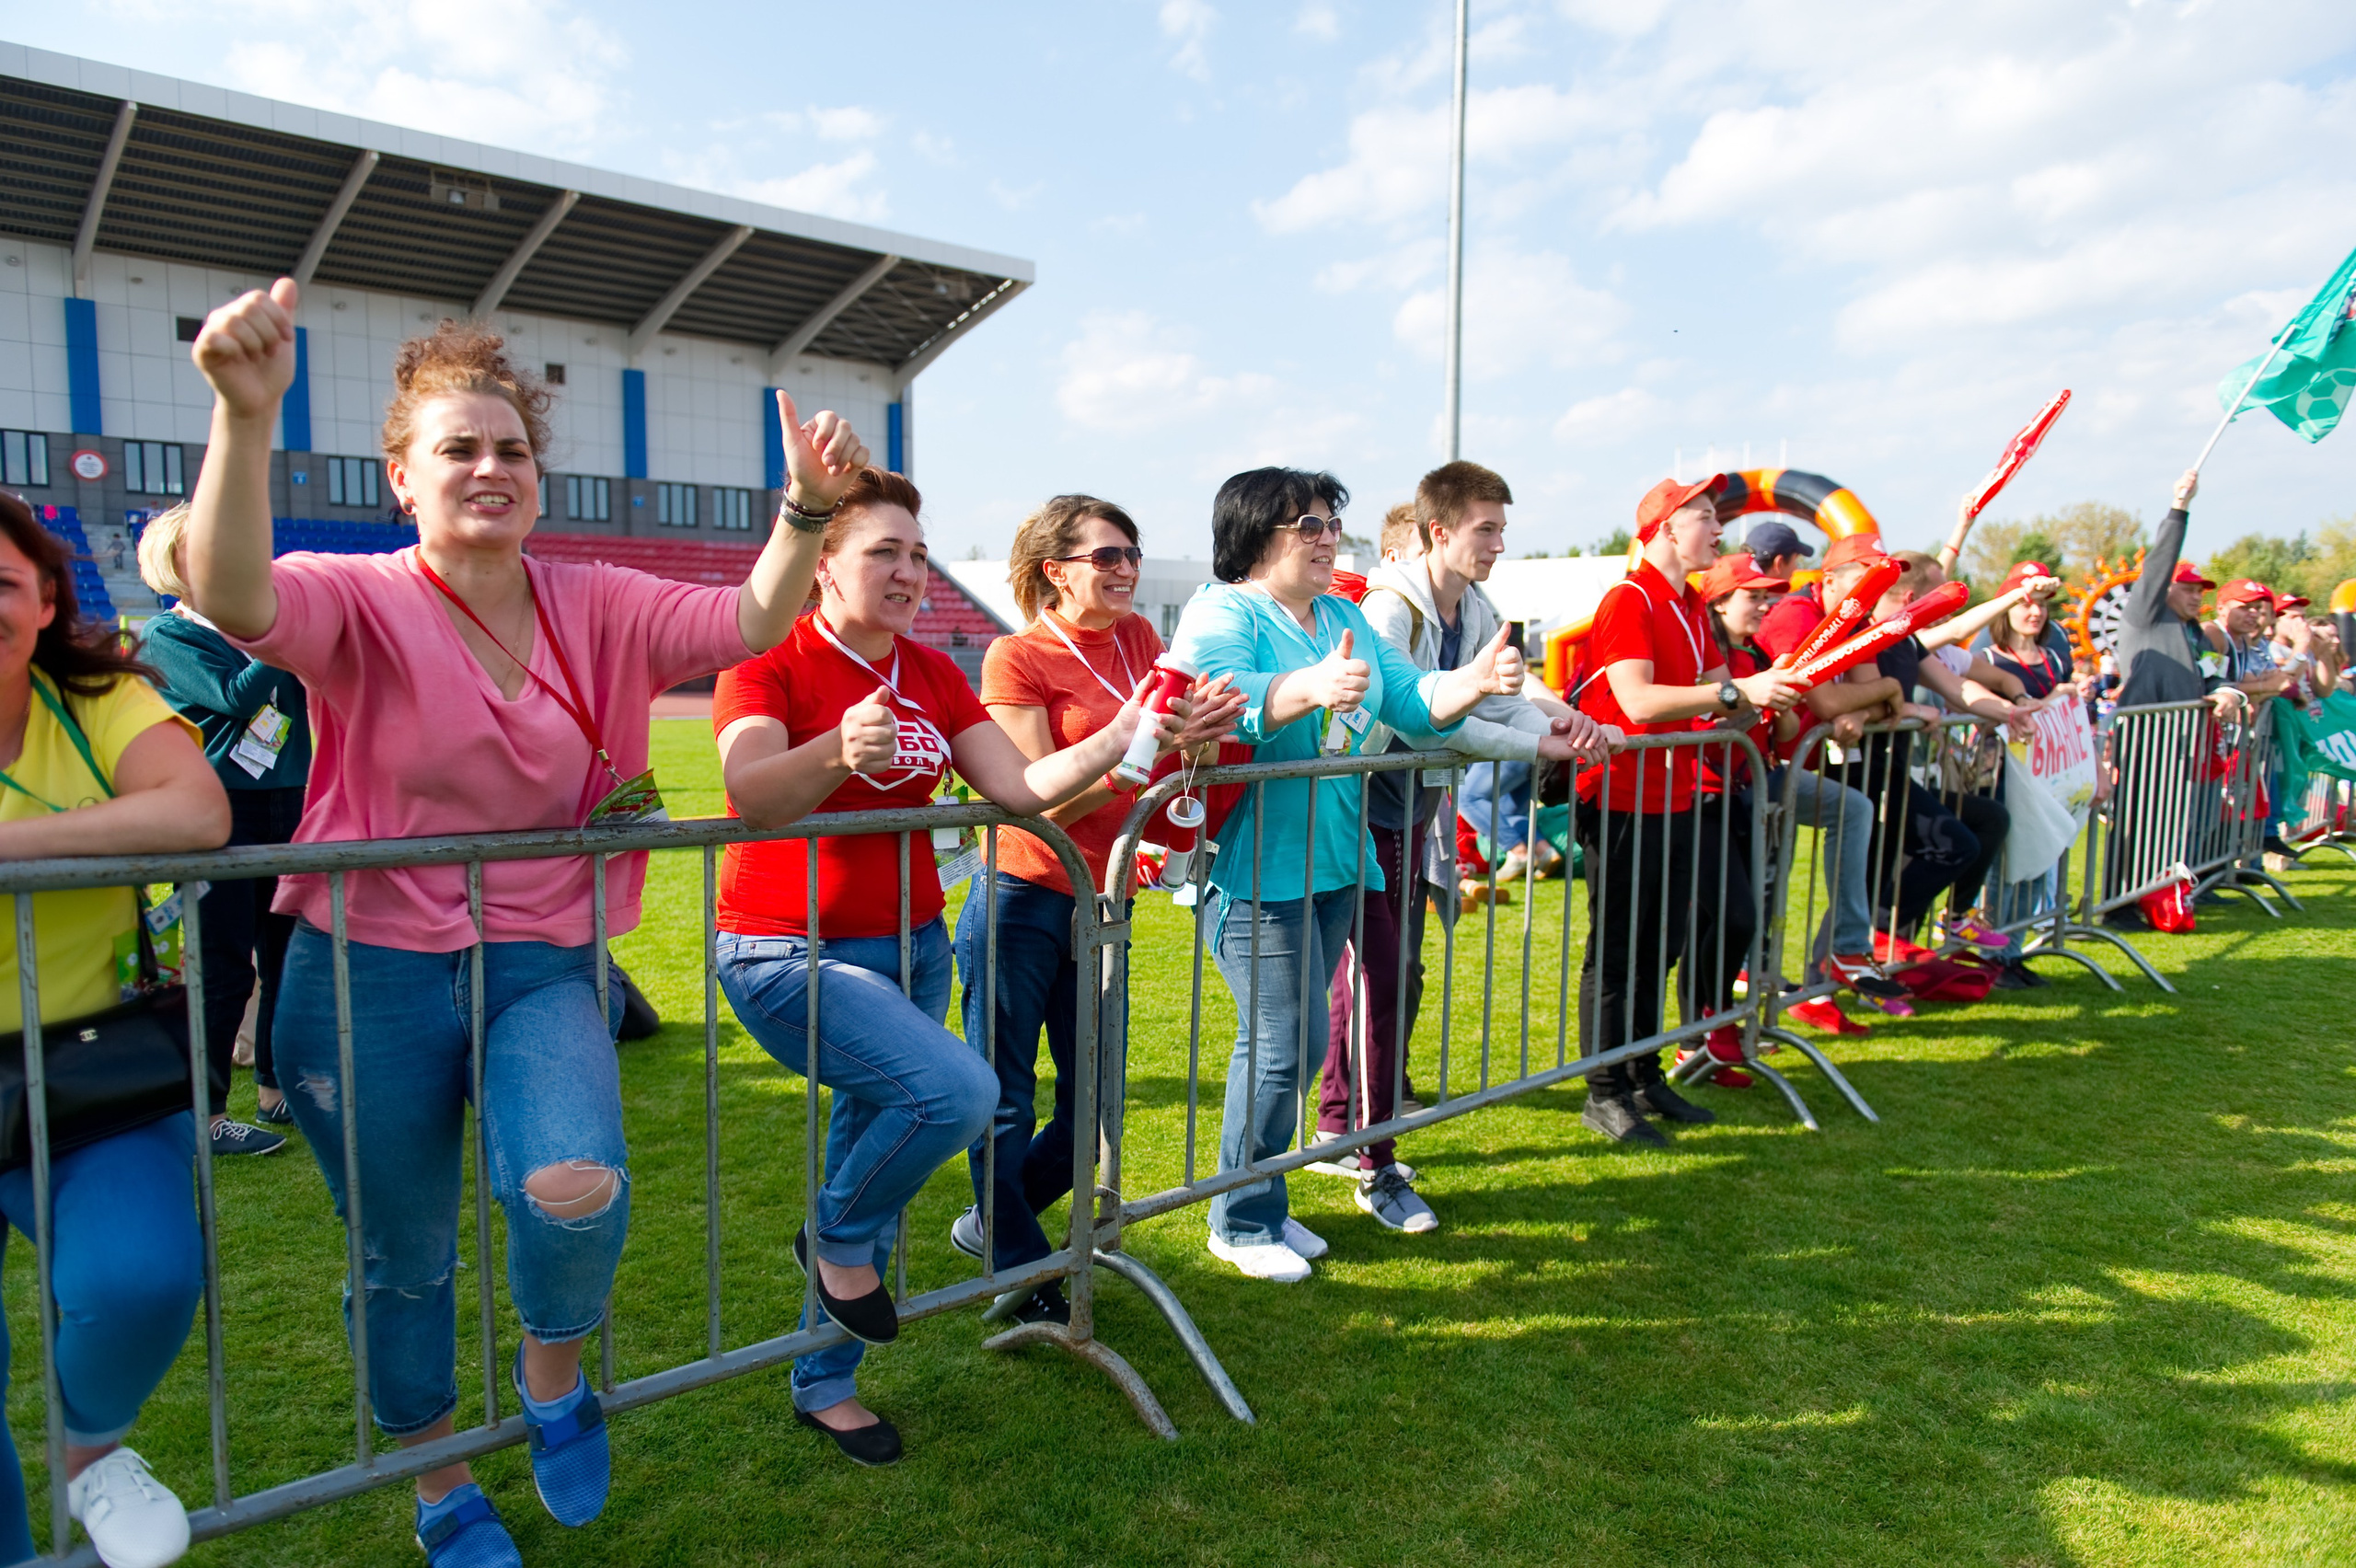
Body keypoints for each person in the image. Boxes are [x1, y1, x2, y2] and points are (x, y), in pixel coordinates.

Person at [185, 278, 854, 1565]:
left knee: (572, 1188)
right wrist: (242, 418)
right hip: (360, 970)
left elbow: (749, 618)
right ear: (404, 479)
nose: (489, 468)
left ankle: (553, 1381)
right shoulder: (358, 597)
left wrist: (804, 511)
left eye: (509, 450)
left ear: (535, 477)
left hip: (544, 955)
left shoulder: (598, 597)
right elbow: (232, 595)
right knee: (403, 1253)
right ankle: (439, 1484)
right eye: (458, 450)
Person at [713, 469, 1191, 1461]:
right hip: (783, 949)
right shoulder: (767, 664)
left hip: (910, 946)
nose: (907, 570)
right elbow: (752, 792)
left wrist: (1122, 734)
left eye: (917, 554)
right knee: (958, 1093)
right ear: (819, 571)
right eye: (881, 552)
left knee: (868, 1152)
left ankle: (823, 1378)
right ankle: (837, 1238)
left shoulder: (929, 670)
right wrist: (836, 753)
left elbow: (1020, 787)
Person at [1169, 466, 1521, 1278]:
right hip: (1254, 867)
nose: (1329, 539)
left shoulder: (1338, 614)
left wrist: (1476, 680)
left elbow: (1408, 700)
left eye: (1332, 525)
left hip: (1334, 859)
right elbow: (1217, 697)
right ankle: (1239, 1221)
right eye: (1310, 526)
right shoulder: (1222, 608)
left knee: (1294, 1043)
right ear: (1258, 536)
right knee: (1278, 1047)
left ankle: (1262, 1203)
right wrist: (1307, 687)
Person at [0, 490, 230, 1568]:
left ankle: (90, 1451)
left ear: (46, 600)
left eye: (2, 584)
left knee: (139, 1277)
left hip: (92, 1073)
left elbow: (195, 815)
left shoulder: (92, 700)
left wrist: (12, 846)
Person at [949, 494, 1241, 1325]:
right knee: (1007, 1097)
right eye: (1107, 556)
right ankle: (1016, 1267)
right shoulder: (1016, 657)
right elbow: (1031, 801)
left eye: (1132, 554)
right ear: (1056, 571)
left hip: (1101, 900)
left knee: (1093, 1102)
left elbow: (1175, 761)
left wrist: (1200, 736)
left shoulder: (1143, 642)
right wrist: (1125, 751)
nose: (1126, 569)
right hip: (1021, 894)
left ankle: (993, 1225)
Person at [1311, 460, 1612, 1221]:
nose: (1500, 543)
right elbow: (1416, 715)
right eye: (1487, 529)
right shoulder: (1389, 609)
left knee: (1391, 971)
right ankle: (1351, 1138)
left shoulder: (1473, 606)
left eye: (1503, 529)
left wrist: (1561, 726)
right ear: (1438, 531)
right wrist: (1538, 745)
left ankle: (1351, 1131)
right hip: (1354, 811)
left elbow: (1496, 704)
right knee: (1369, 979)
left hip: (1407, 809)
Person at [1570, 476, 1803, 1147]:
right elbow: (1638, 702)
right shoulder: (1629, 598)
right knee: (1618, 952)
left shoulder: (1689, 604)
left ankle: (1643, 1076)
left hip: (1672, 796)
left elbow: (1707, 692)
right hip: (1619, 798)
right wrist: (1741, 689)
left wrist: (1759, 693)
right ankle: (1604, 1090)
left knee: (1659, 946)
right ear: (1665, 529)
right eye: (1704, 516)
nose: (1718, 529)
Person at [135, 502, 306, 1155]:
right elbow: (237, 696)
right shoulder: (166, 637)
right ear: (173, 564)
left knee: (287, 958)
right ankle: (203, 1115)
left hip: (288, 804)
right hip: (217, 815)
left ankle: (275, 1089)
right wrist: (281, 637)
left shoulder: (253, 631)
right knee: (223, 967)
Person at [1752, 536, 1915, 1000]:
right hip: (1750, 763)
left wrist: (1865, 709)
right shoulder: (1796, 613)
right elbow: (1822, 697)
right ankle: (1746, 981)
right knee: (1764, 873)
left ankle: (1844, 949)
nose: (1875, 584)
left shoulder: (1856, 620)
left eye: (1882, 575)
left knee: (1851, 813)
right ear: (1830, 579)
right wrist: (1884, 687)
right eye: (1866, 573)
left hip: (1783, 763)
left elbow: (1881, 706)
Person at [1677, 552, 1803, 1088]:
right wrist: (1749, 701)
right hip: (1695, 797)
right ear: (1720, 602)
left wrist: (1787, 693)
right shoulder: (1701, 655)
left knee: (1730, 919)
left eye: (1768, 595)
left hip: (1739, 794)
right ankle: (1700, 1031)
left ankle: (1711, 1026)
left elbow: (1787, 732)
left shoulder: (1755, 657)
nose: (1765, 604)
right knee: (1726, 918)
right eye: (1754, 595)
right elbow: (1699, 719)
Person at [2103, 471, 2248, 917]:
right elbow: (2160, 561)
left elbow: (2212, 678)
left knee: (2166, 824)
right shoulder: (2144, 615)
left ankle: (2156, 896)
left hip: (2183, 741)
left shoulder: (2192, 634)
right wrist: (2179, 508)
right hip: (2147, 737)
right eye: (2187, 589)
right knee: (2134, 822)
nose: (2195, 597)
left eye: (2201, 591)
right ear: (2162, 588)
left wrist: (2229, 695)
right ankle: (2117, 905)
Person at [1743, 518, 1812, 586]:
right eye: (1795, 561)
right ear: (1779, 564)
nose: (1796, 568)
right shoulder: (1794, 596)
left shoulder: (1735, 595)